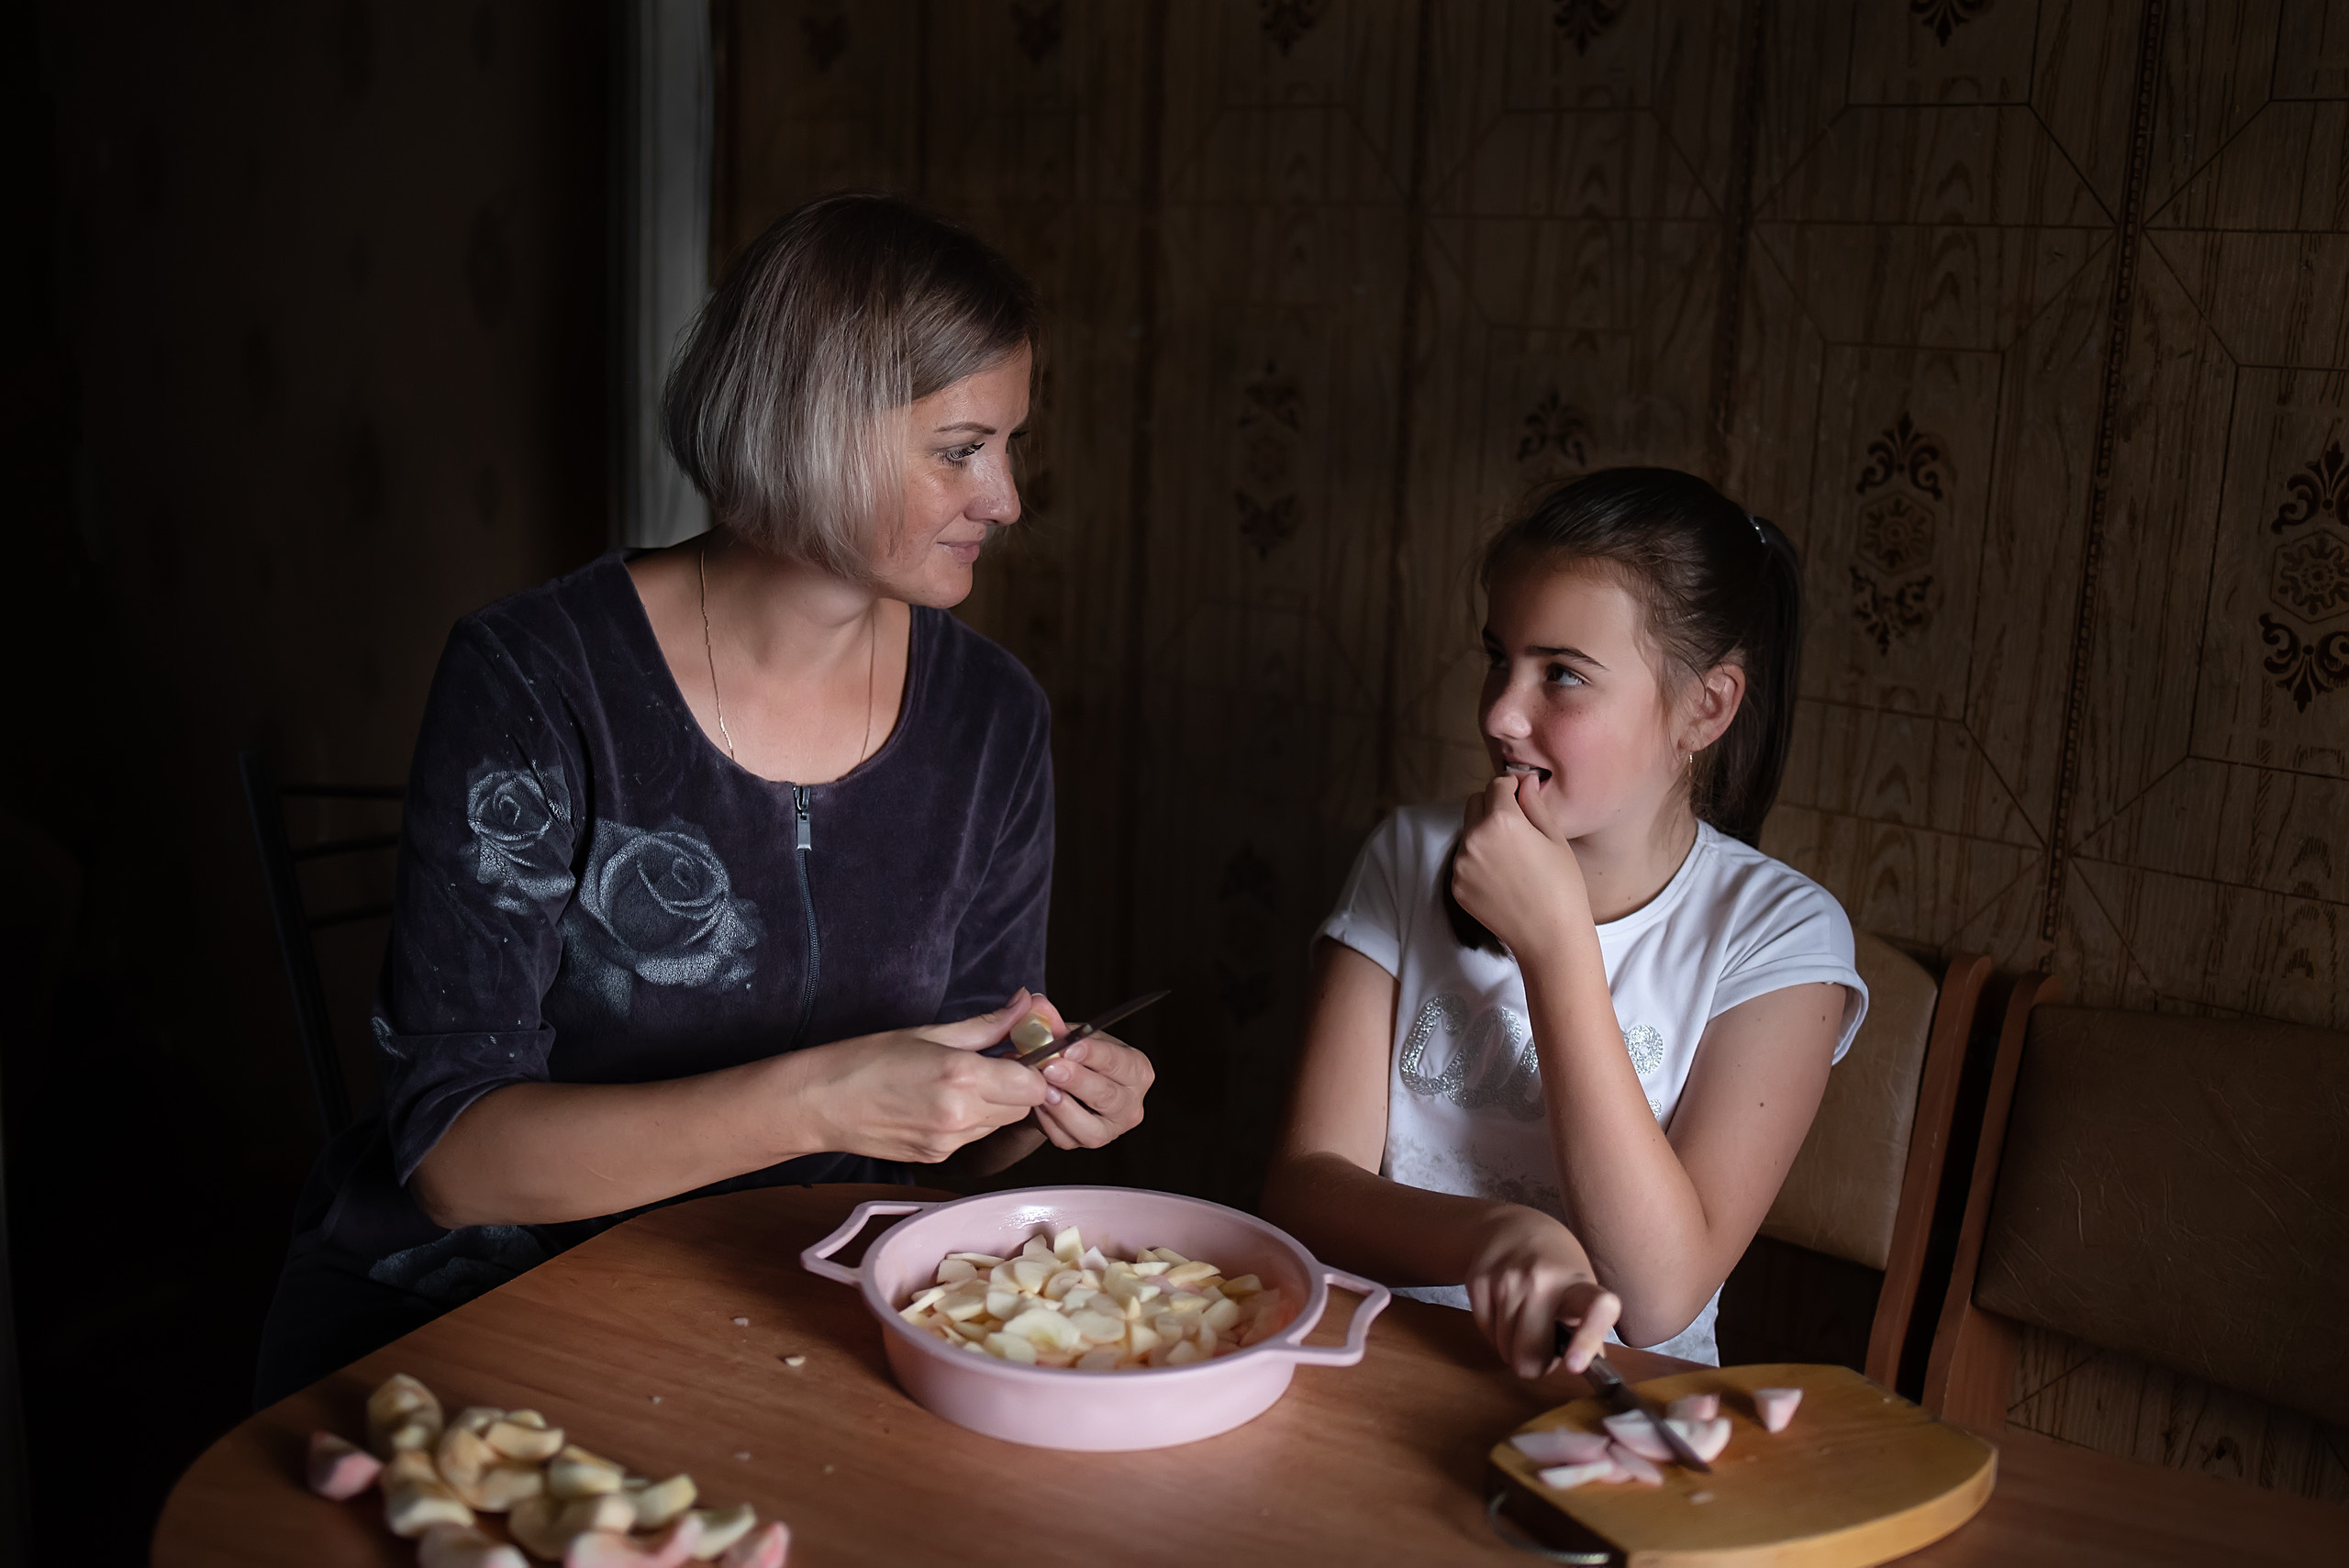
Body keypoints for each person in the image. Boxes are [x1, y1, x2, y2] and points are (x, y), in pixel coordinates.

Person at [254, 194, 1155, 1405]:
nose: (1006, 497)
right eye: (961, 448)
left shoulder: (994, 716)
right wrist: (827, 1095)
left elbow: (943, 1125)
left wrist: (1040, 1102)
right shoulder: (534, 675)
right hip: (477, 1315)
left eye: (1009, 445)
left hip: (793, 1319)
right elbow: (455, 1160)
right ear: (816, 426)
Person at [1263, 468, 1866, 1378]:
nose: (1502, 712)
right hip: (1371, 1361)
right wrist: (1499, 1235)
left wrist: (1554, 945)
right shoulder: (1410, 852)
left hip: (1612, 1400)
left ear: (1706, 706)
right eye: (1496, 657)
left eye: (1562, 675)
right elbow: (1303, 1189)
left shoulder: (1780, 936)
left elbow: (1659, 1296)